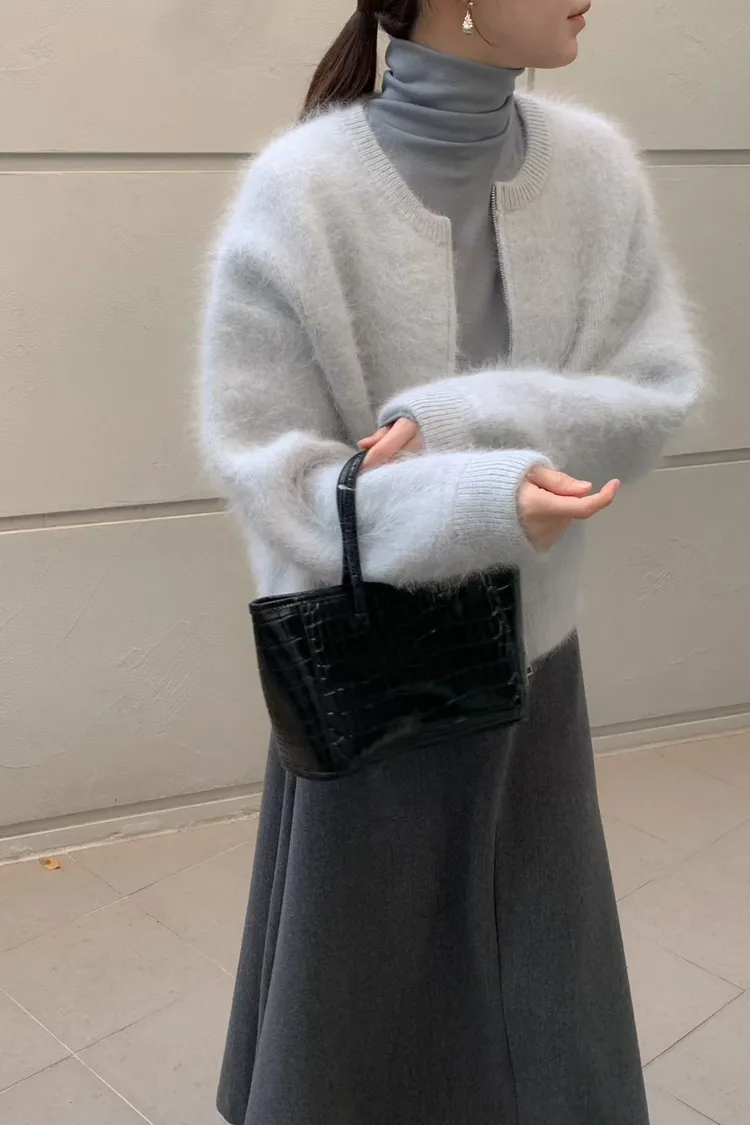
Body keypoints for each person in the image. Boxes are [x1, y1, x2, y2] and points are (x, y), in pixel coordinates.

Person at [201, 1, 704, 1122]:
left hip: (536, 659)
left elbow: (655, 389)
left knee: (544, 989)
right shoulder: (304, 189)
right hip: (375, 663)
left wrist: (467, 429)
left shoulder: (596, 169)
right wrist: (472, 501)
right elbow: (271, 472)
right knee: (361, 1010)